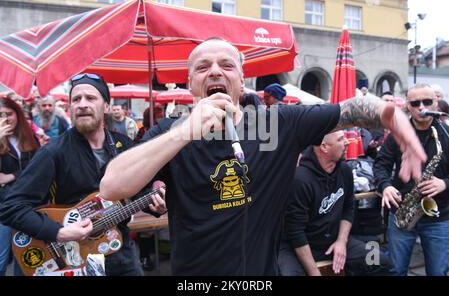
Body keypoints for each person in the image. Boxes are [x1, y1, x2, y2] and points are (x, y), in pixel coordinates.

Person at [100, 37, 425, 275]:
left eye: (226, 65)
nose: (215, 72)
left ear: (242, 81)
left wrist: (394, 118)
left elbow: (351, 109)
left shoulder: (276, 123)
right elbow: (113, 186)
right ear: (190, 84)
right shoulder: (169, 132)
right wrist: (184, 132)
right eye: (203, 67)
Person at [0, 74, 166, 276]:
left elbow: (141, 191)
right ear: (70, 108)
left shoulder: (124, 146)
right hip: (72, 256)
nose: (82, 104)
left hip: (119, 250)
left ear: (106, 106)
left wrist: (156, 205)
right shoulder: (53, 153)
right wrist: (58, 232)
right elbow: (11, 207)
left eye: (90, 98)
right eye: (76, 99)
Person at [278, 131, 391, 276]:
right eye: (341, 139)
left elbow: (349, 207)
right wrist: (314, 273)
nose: (347, 142)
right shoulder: (300, 179)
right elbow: (295, 232)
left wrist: (342, 241)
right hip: (299, 246)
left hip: (334, 240)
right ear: (324, 147)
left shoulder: (344, 170)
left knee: (380, 261)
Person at [374, 83, 449, 276]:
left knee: (438, 272)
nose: (421, 107)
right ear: (408, 105)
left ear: (436, 103)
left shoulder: (446, 134)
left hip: (439, 216)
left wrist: (444, 183)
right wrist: (386, 186)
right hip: (402, 212)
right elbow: (380, 165)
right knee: (395, 270)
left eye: (427, 101)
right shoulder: (398, 132)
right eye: (415, 103)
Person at [0, 97, 40, 276]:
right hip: (3, 206)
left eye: (8, 114)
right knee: (1, 257)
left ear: (17, 115)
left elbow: (37, 169)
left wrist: (11, 176)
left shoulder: (29, 138)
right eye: (0, 115)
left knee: (24, 256)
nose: (5, 119)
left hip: (27, 204)